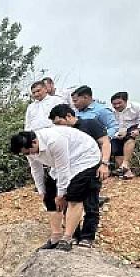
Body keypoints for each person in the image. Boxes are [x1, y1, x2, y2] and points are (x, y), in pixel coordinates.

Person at [10, 128, 101, 251]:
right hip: (61, 163)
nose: (29, 155)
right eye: (26, 154)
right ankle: (56, 236)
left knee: (74, 197)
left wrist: (61, 194)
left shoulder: (54, 141)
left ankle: (67, 238)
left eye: (29, 152)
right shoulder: (28, 149)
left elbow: (63, 169)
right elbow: (36, 170)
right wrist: (42, 191)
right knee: (49, 198)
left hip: (83, 158)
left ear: (34, 142)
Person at [48, 104, 111, 248]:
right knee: (68, 200)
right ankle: (73, 235)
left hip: (90, 167)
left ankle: (88, 236)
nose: (58, 126)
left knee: (90, 202)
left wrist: (104, 163)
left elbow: (105, 142)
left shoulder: (90, 124)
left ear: (69, 116)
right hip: (70, 171)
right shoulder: (60, 133)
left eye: (59, 122)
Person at [109, 92, 140, 179]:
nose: (117, 106)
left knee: (130, 136)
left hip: (134, 128)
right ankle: (127, 172)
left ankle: (125, 163)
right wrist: (117, 134)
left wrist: (139, 129)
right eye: (114, 104)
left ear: (126, 101)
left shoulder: (137, 107)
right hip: (118, 131)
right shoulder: (110, 111)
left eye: (119, 103)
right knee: (115, 149)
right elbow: (110, 124)